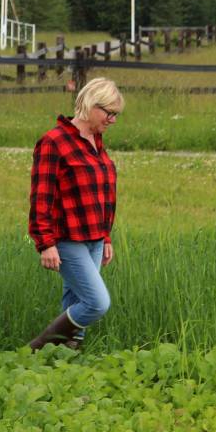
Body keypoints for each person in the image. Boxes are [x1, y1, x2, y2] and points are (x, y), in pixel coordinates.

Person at [28, 77, 124, 351]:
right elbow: (41, 197)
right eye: (109, 113)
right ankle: (37, 348)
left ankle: (65, 361)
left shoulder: (95, 141)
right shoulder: (54, 142)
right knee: (96, 302)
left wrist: (106, 236)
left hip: (94, 238)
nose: (113, 120)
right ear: (93, 105)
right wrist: (45, 243)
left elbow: (102, 194)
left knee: (73, 301)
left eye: (116, 114)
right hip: (68, 240)